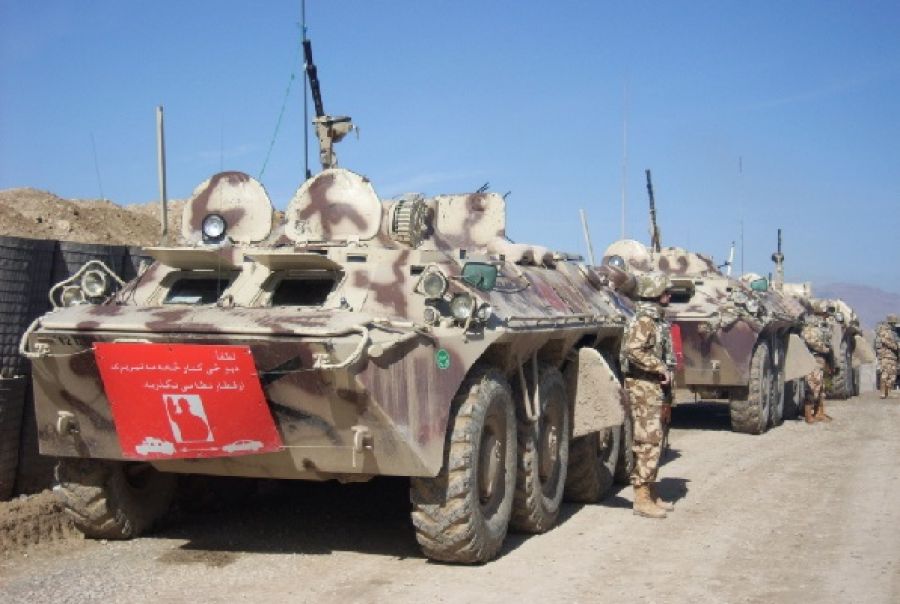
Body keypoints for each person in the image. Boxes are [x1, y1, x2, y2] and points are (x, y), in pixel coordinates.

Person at [621, 271, 677, 518]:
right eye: (666, 291)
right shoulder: (644, 320)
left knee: (655, 440)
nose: (669, 295)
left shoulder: (655, 319)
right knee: (647, 441)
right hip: (643, 388)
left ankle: (651, 492)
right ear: (654, 293)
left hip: (654, 388)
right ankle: (641, 498)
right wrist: (659, 367)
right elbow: (633, 350)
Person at [800, 301, 833, 423]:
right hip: (813, 359)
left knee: (821, 387)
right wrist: (824, 349)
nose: (827, 315)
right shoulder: (811, 324)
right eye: (826, 312)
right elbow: (810, 339)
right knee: (812, 386)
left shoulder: (823, 325)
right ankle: (808, 415)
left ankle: (819, 412)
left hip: (821, 359)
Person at [874, 314, 899, 399]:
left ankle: (887, 392)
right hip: (887, 356)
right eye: (893, 323)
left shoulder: (891, 333)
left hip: (892, 357)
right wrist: (896, 346)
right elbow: (889, 343)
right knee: (886, 375)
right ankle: (883, 393)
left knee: (891, 376)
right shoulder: (885, 332)